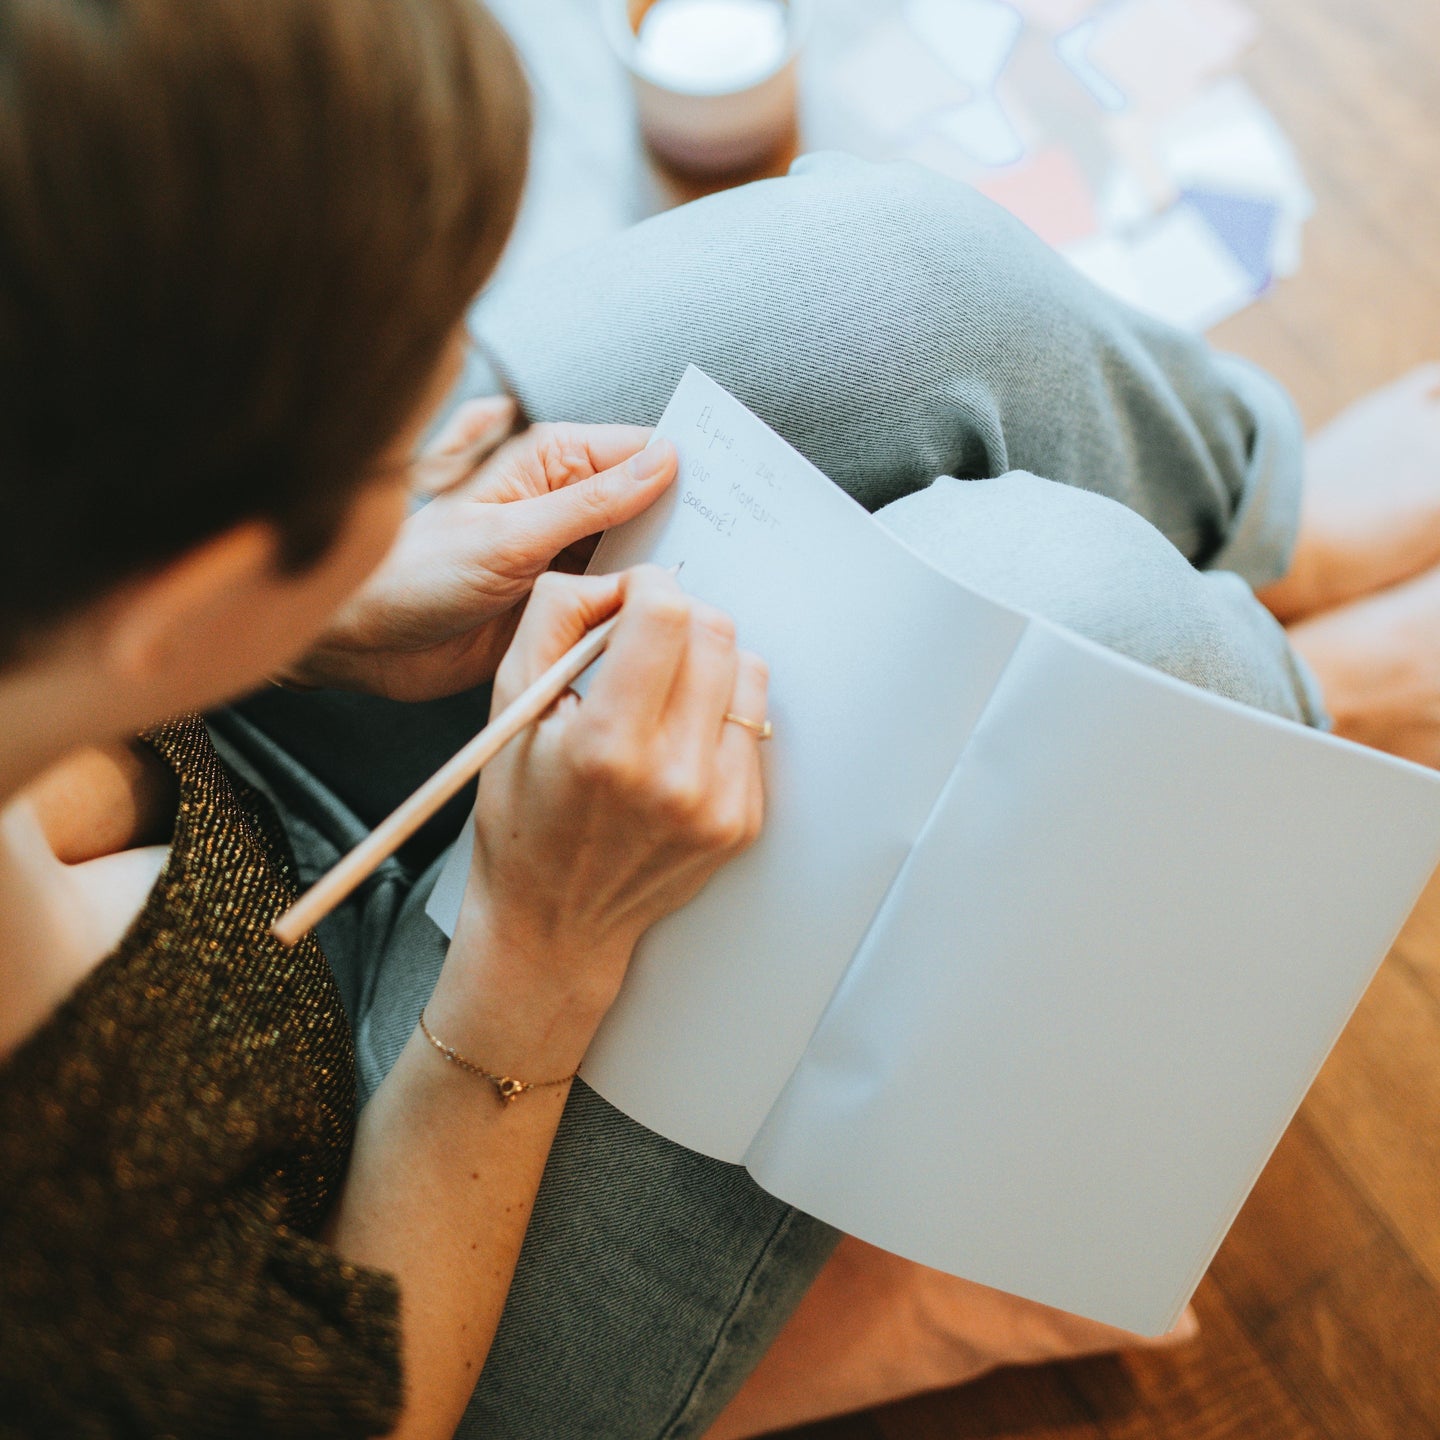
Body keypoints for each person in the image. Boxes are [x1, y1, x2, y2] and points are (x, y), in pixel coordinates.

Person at [0, 3, 1418, 1438]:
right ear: (185, 590)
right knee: (1086, 616)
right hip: (370, 1230)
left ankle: (1271, 546)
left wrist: (328, 614)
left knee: (889, 283)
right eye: (389, 443)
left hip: (197, 725)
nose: (448, 426)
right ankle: (1316, 702)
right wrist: (535, 952)